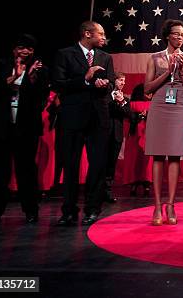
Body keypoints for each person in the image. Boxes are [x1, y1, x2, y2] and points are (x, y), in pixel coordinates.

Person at [0, 34, 49, 225]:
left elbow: (41, 98)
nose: (25, 51)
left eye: (29, 48)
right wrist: (15, 77)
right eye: (21, 47)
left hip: (26, 128)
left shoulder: (40, 70)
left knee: (26, 170)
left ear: (33, 51)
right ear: (13, 49)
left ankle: (31, 211)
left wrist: (31, 78)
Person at [52, 21, 115, 226]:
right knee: (71, 165)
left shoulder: (105, 57)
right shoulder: (65, 54)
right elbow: (59, 84)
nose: (104, 37)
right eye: (101, 33)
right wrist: (86, 79)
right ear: (87, 34)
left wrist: (104, 84)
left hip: (98, 118)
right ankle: (69, 211)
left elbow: (111, 83)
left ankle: (92, 209)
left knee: (97, 166)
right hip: (73, 118)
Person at [144, 19, 183, 226]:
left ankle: (171, 205)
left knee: (175, 156)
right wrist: (168, 71)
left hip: (180, 106)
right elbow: (147, 88)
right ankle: (157, 206)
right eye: (176, 34)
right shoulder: (154, 59)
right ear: (167, 35)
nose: (180, 38)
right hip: (159, 105)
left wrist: (181, 71)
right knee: (158, 156)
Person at [104, 72, 130, 203]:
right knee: (100, 163)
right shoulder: (105, 96)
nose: (123, 83)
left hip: (117, 135)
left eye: (124, 81)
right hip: (104, 134)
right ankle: (96, 191)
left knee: (111, 165)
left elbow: (128, 114)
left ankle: (107, 192)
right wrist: (114, 100)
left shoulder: (125, 99)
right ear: (114, 81)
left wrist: (122, 102)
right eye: (121, 80)